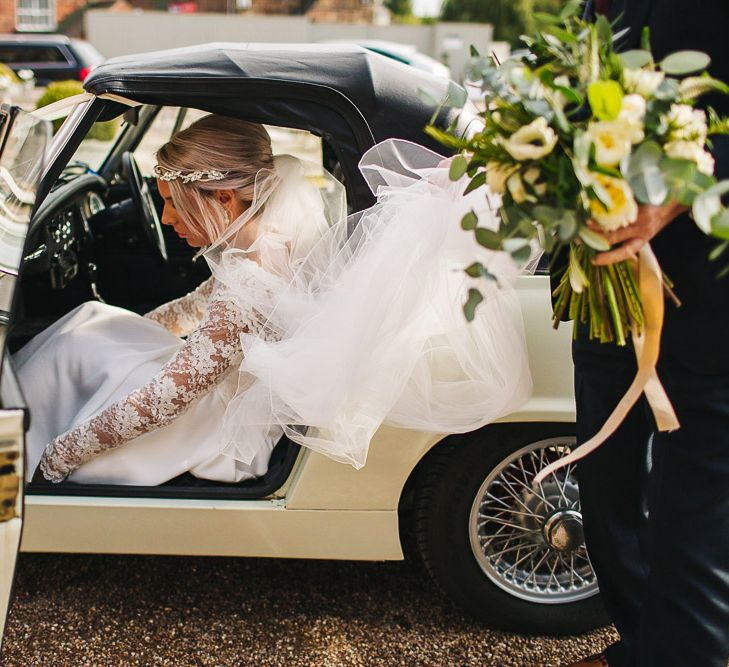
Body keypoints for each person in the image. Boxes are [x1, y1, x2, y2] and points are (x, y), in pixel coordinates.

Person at [15, 114, 534, 486]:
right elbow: (199, 304)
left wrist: (65, 453)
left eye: (174, 204)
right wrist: (138, 326)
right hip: (212, 386)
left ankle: (22, 450)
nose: (168, 219)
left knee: (79, 350)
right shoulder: (265, 237)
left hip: (214, 424)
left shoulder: (253, 278)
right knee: (91, 322)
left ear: (222, 197)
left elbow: (168, 399)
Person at [563, 1, 729, 666]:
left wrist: (686, 180)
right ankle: (642, 643)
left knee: (691, 512)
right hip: (599, 283)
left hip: (705, 293)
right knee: (602, 490)